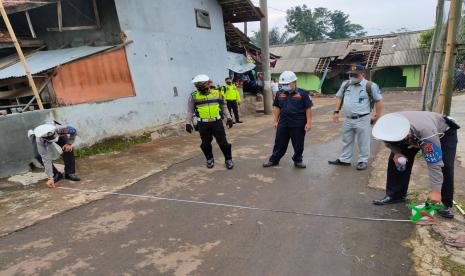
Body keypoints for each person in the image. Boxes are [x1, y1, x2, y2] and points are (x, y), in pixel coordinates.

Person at [372, 112, 460, 219]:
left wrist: (436, 191)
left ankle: (442, 202)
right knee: (398, 159)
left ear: (407, 135)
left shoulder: (427, 132)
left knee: (445, 166)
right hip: (413, 131)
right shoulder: (390, 124)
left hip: (443, 132)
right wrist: (397, 152)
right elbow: (388, 142)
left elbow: (435, 164)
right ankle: (396, 195)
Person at [328, 64, 384, 171]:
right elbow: (339, 97)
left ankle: (362, 161)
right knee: (346, 139)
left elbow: (379, 101)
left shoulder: (370, 86)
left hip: (363, 118)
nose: (352, 77)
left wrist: (377, 116)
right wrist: (336, 112)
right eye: (351, 74)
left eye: (355, 75)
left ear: (363, 74)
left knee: (363, 141)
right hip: (348, 118)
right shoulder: (346, 84)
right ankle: (345, 159)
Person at [263, 71, 313, 168]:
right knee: (279, 142)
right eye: (283, 84)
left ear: (294, 82)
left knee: (298, 143)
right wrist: (275, 121)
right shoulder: (279, 94)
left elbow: (308, 108)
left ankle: (298, 160)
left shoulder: (303, 93)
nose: (285, 86)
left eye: (287, 84)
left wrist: (309, 123)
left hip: (298, 123)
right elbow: (277, 108)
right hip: (283, 123)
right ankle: (274, 160)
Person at [186, 74, 235, 169]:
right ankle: (209, 159)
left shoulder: (217, 94)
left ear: (208, 84)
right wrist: (188, 123)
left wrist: (229, 118)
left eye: (202, 85)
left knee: (223, 142)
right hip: (203, 124)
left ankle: (228, 159)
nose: (200, 87)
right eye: (198, 86)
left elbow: (224, 107)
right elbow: (190, 111)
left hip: (216, 122)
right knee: (205, 144)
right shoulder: (194, 96)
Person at [28, 123, 81, 188]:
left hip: (57, 132)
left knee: (68, 148)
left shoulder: (61, 129)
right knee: (38, 155)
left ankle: (69, 173)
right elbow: (45, 158)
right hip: (36, 135)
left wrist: (69, 143)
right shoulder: (40, 140)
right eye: (50, 141)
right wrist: (50, 177)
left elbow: (74, 131)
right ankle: (55, 174)